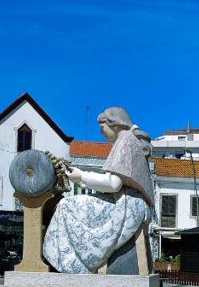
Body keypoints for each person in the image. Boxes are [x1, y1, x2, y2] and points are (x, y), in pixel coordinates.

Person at [43, 106, 153, 274]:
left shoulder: (125, 141)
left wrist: (82, 176)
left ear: (114, 125)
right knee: (73, 203)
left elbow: (114, 183)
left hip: (125, 205)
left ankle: (73, 265)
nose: (101, 133)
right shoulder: (129, 139)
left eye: (102, 128)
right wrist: (84, 181)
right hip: (128, 202)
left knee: (66, 205)